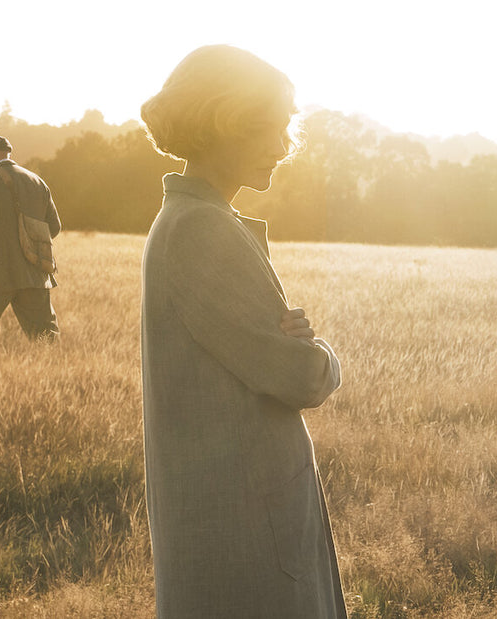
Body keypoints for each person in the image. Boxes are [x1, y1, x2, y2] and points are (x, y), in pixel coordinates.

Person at [140, 45, 346, 618]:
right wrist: (319, 354)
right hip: (245, 532)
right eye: (271, 128)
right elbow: (300, 377)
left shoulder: (196, 220)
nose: (285, 145)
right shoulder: (202, 230)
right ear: (224, 125)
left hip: (236, 520)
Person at [0, 135, 61, 341]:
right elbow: (54, 226)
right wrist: (29, 245)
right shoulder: (37, 181)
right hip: (34, 272)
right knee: (46, 339)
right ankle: (52, 373)